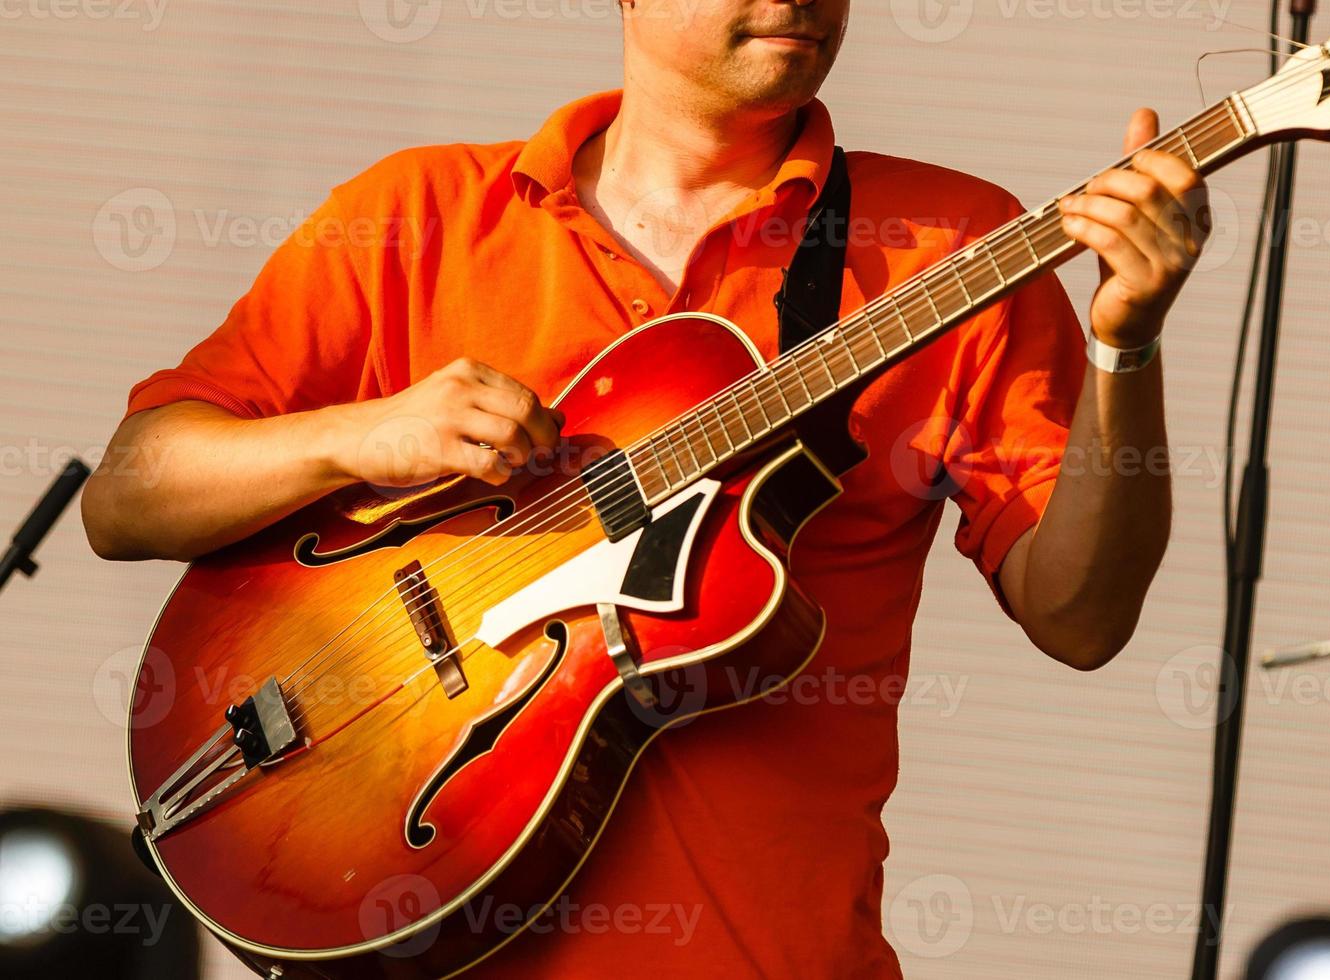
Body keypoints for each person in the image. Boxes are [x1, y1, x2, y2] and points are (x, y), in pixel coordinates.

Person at [81, 0, 1208, 974]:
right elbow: (130, 492)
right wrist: (363, 435)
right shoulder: (417, 216)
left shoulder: (955, 247)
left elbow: (1083, 614)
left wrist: (1128, 348)